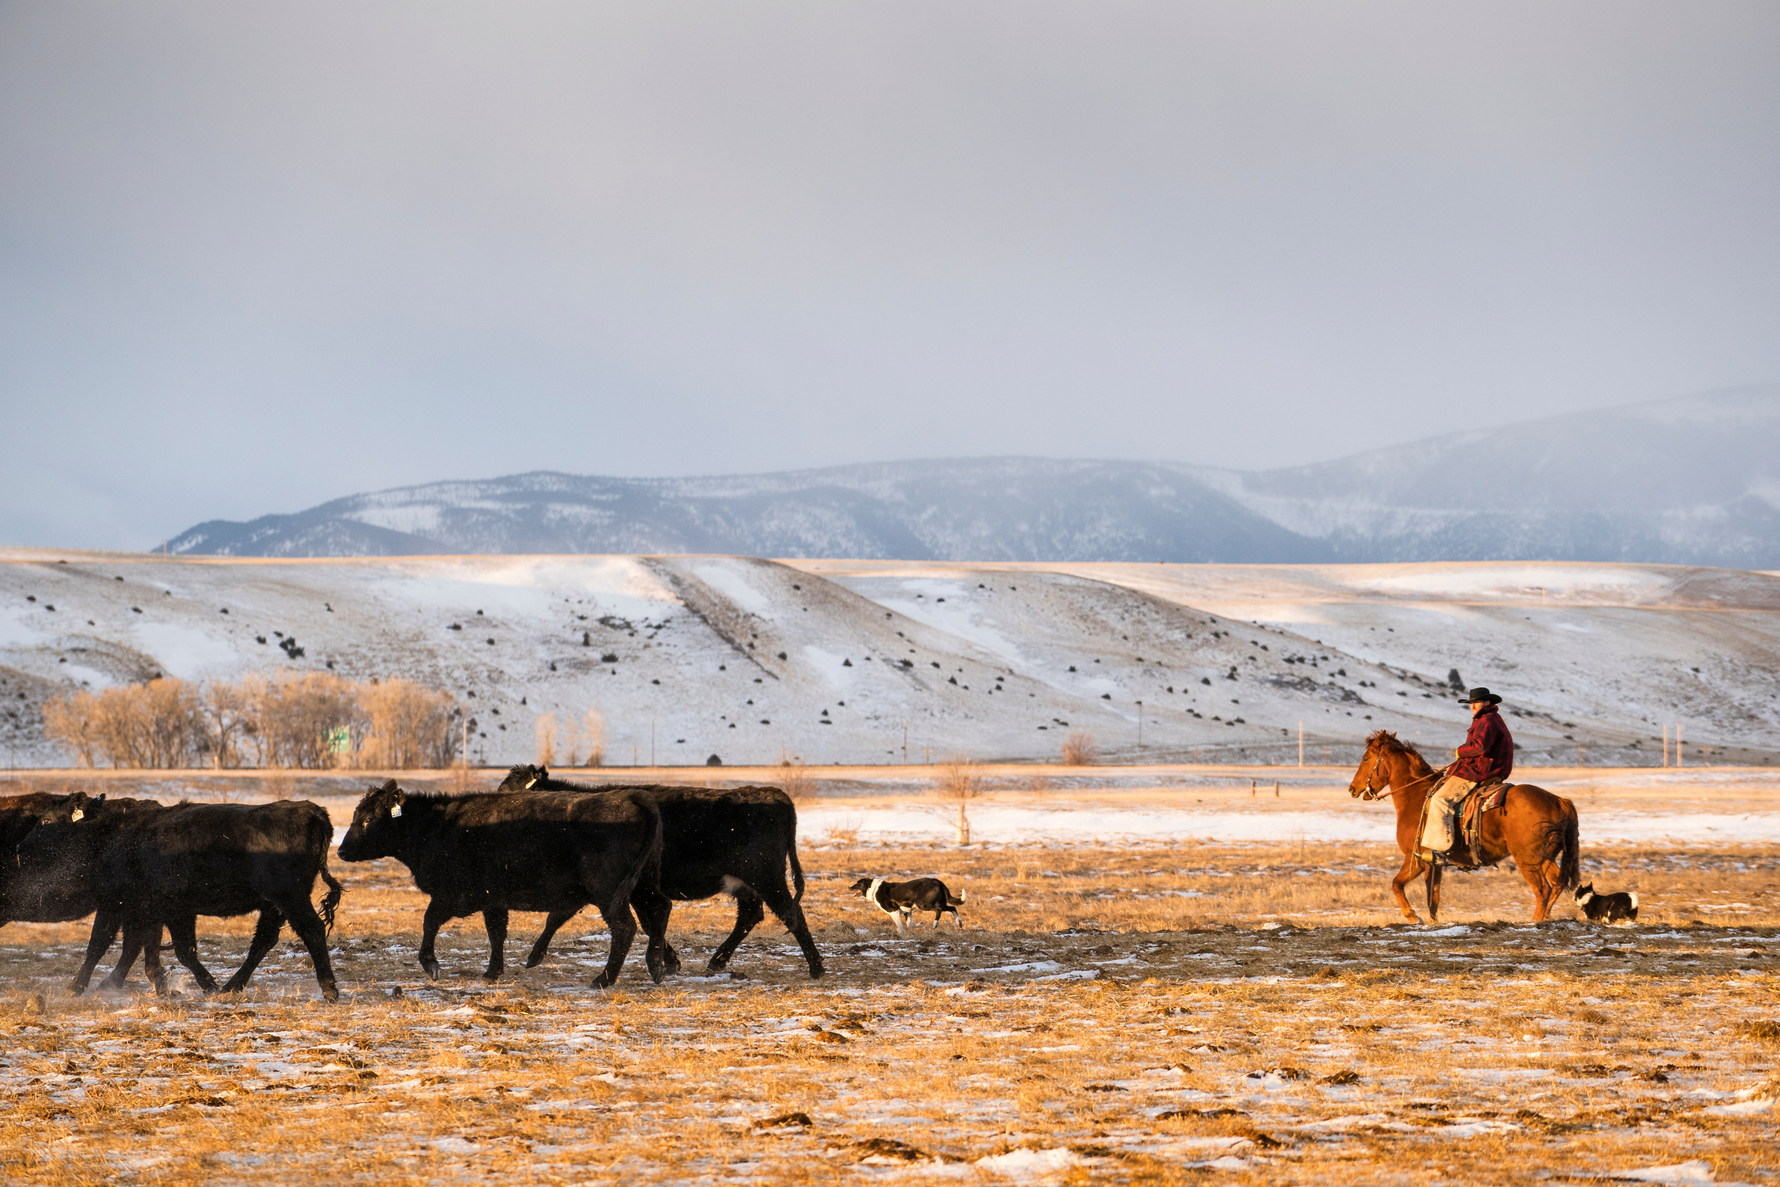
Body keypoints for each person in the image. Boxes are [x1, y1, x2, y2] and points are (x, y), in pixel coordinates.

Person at [1419, 687, 1514, 863]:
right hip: (1491, 770)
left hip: (1480, 771)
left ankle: (1440, 850)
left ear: (1487, 703)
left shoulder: (1486, 721)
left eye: (1477, 702)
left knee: (1440, 800)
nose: (1473, 706)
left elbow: (1480, 747)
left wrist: (1460, 751)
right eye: (1471, 703)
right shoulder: (1492, 719)